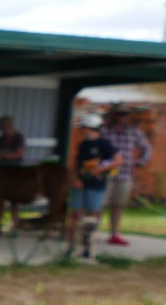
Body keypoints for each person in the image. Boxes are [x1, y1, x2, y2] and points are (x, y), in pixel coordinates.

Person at [65, 114, 116, 259]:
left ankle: (89, 248)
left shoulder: (104, 144)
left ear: (92, 128)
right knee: (75, 214)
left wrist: (100, 169)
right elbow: (76, 163)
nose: (83, 131)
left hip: (96, 184)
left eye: (85, 128)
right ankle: (71, 246)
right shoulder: (83, 144)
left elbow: (118, 160)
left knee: (92, 217)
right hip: (80, 184)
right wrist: (75, 178)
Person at [101, 105, 153, 245]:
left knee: (118, 205)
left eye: (123, 114)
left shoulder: (134, 132)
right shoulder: (105, 131)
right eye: (118, 114)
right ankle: (92, 233)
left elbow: (147, 148)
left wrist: (139, 163)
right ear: (113, 115)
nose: (121, 117)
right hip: (106, 173)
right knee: (99, 204)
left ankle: (114, 234)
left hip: (125, 174)